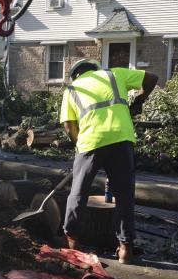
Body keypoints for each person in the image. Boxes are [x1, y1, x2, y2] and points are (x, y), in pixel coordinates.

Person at [60, 58, 158, 263]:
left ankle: (72, 243)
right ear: (95, 68)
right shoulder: (114, 74)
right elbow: (152, 78)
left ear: (75, 75)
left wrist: (80, 146)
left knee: (78, 192)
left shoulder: (71, 89)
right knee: (124, 195)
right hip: (122, 139)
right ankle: (125, 250)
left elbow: (69, 126)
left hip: (90, 143)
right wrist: (139, 100)